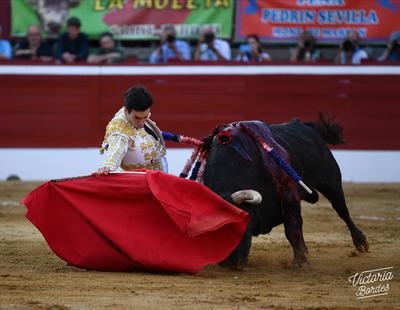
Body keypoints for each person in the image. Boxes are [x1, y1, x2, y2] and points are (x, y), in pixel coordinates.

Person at [96, 85, 167, 175]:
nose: (141, 123)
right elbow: (117, 147)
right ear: (126, 111)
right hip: (138, 182)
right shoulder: (120, 129)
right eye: (137, 118)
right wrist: (108, 166)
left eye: (145, 117)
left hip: (157, 175)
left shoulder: (134, 112)